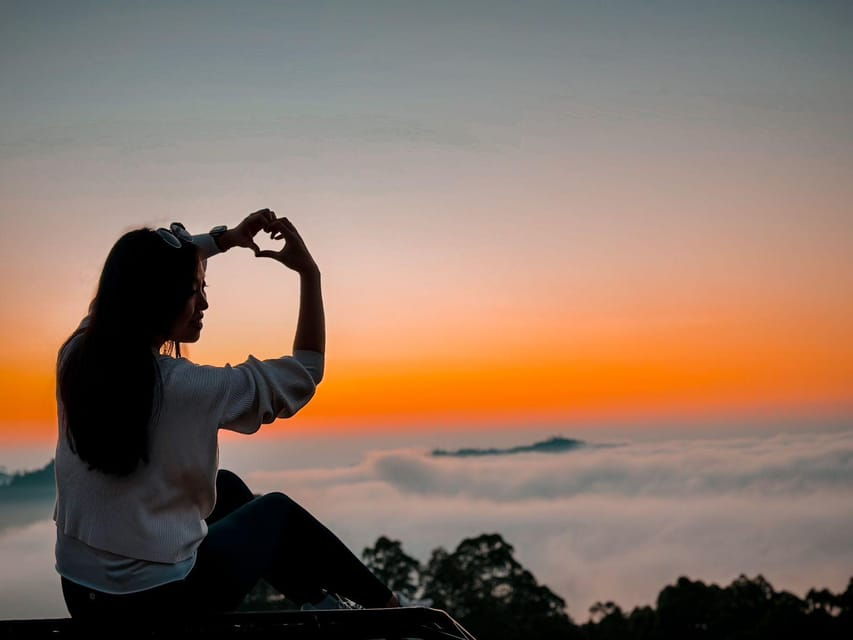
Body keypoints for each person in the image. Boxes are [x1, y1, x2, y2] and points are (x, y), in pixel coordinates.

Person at [53, 209, 400, 624]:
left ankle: (318, 600)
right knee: (275, 513)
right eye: (194, 291)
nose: (204, 302)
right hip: (156, 606)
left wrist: (225, 240)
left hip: (80, 590)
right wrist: (310, 274)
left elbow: (128, 281)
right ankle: (392, 611)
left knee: (228, 488)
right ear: (160, 300)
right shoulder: (187, 387)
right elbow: (304, 373)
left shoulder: (78, 355)